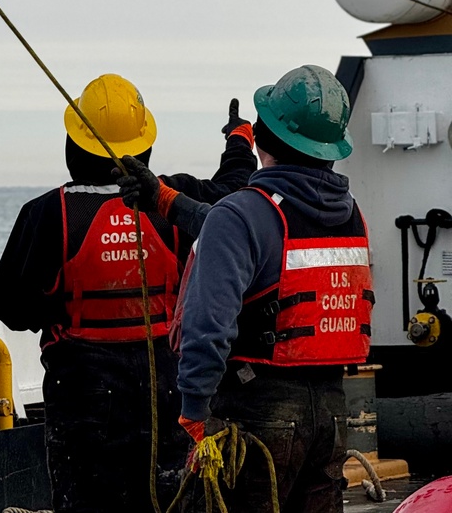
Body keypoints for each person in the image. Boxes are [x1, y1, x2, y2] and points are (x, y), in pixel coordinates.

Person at [0, 73, 257, 513]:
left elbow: (11, 306)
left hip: (83, 397)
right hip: (170, 388)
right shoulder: (175, 199)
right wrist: (239, 139)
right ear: (144, 145)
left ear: (74, 146)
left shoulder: (46, 215)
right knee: (170, 497)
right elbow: (233, 192)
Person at [120, 64, 371, 513]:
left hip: (259, 412)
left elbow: (207, 325)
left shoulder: (242, 215)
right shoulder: (350, 215)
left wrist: (194, 412)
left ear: (263, 141)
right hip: (332, 412)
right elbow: (255, 235)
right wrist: (164, 200)